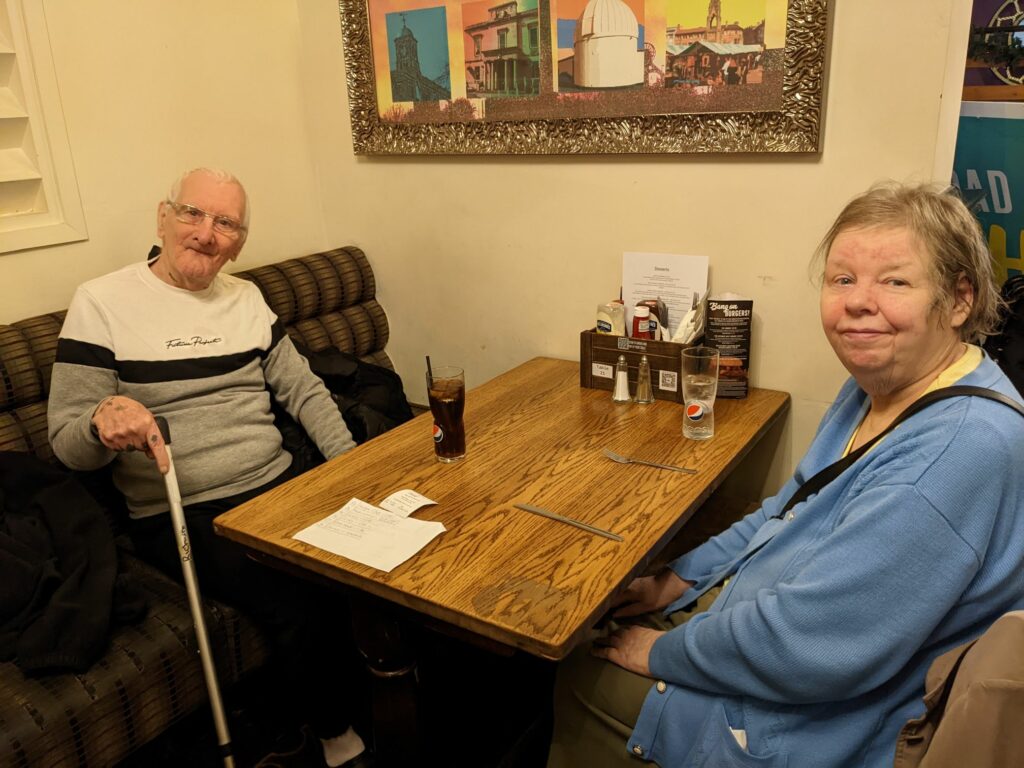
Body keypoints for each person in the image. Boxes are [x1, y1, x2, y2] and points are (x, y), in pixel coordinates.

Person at [547, 181, 1024, 767]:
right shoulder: (880, 388)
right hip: (770, 620)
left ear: (958, 301)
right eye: (842, 279)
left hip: (808, 719)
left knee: (579, 669)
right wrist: (677, 581)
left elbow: (807, 646)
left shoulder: (952, 452)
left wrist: (661, 652)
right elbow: (785, 511)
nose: (857, 301)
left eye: (895, 281)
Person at [48, 168, 372, 768]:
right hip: (183, 508)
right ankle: (336, 737)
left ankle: (362, 694)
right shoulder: (101, 303)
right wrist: (99, 420)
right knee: (296, 593)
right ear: (163, 217)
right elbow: (66, 444)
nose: (206, 233)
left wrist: (351, 470)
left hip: (276, 483)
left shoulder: (246, 298)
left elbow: (303, 391)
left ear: (239, 243)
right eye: (193, 213)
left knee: (370, 560)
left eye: (226, 223)